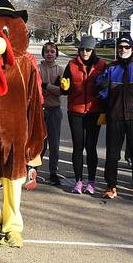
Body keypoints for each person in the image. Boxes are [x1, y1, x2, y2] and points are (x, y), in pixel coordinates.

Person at [96, 36, 133, 200]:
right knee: (113, 154)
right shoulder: (111, 68)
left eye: (126, 47)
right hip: (115, 117)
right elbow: (102, 91)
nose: (123, 50)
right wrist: (101, 87)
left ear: (132, 49)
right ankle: (111, 186)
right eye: (121, 47)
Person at [60, 35, 107, 195]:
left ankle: (91, 181)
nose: (85, 52)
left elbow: (107, 88)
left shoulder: (101, 65)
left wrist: (103, 89)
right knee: (78, 147)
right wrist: (64, 87)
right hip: (76, 111)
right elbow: (64, 89)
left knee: (91, 147)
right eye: (82, 49)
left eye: (88, 49)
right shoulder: (72, 64)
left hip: (94, 112)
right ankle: (78, 181)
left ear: (93, 50)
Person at [39, 42, 64, 186]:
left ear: (56, 54)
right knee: (40, 142)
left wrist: (46, 86)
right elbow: (35, 87)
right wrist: (46, 87)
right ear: (43, 53)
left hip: (55, 110)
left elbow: (62, 90)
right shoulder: (37, 68)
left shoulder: (60, 70)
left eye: (52, 51)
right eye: (47, 51)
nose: (49, 54)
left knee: (54, 143)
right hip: (40, 109)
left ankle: (53, 172)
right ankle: (34, 169)